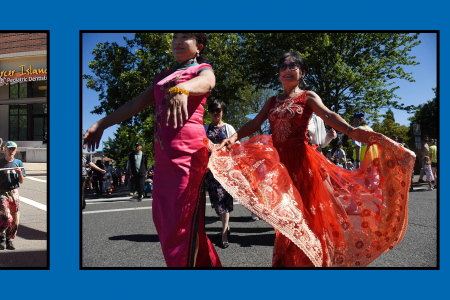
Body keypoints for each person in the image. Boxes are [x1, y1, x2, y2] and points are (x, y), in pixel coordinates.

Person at [216, 51, 413, 267]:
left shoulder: (308, 96)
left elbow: (328, 115)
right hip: (279, 166)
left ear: (302, 73)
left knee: (307, 216)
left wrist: (351, 130)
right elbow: (254, 123)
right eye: (283, 67)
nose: (287, 70)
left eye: (293, 66)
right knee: (286, 218)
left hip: (302, 164)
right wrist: (233, 137)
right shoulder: (272, 101)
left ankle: (310, 263)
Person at [82, 33, 221, 267]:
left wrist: (183, 89)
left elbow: (208, 82)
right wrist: (100, 124)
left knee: (182, 223)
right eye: (175, 36)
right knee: (165, 221)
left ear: (199, 47)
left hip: (188, 156)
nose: (177, 40)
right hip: (164, 159)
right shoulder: (163, 76)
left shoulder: (201, 69)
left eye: (185, 37)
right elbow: (134, 104)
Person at [204, 99, 237, 248]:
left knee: (223, 200)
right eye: (212, 110)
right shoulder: (204, 128)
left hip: (225, 171)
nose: (215, 113)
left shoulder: (228, 128)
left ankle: (224, 233)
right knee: (217, 202)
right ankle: (227, 227)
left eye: (218, 110)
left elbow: (236, 149)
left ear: (222, 111)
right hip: (210, 171)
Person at [0, 142, 26, 250]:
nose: (11, 151)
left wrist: (20, 173)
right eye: (9, 149)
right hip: (2, 191)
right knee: (6, 216)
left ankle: (9, 240)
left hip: (14, 192)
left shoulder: (18, 162)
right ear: (5, 150)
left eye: (13, 149)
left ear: (15, 151)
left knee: (15, 220)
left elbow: (21, 181)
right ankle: (1, 237)